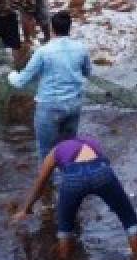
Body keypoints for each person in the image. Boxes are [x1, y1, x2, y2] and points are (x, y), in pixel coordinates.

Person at [12, 136, 137, 260]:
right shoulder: (92, 141)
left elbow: (40, 184)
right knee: (130, 221)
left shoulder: (56, 150)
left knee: (65, 229)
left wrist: (26, 208)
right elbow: (105, 164)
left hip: (73, 178)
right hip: (101, 172)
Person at [8, 11, 92, 164]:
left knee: (46, 150)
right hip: (74, 104)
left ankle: (47, 186)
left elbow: (21, 81)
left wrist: (11, 75)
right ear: (69, 28)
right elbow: (87, 72)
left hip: (49, 107)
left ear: (52, 30)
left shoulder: (43, 52)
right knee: (70, 148)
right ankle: (69, 180)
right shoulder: (81, 48)